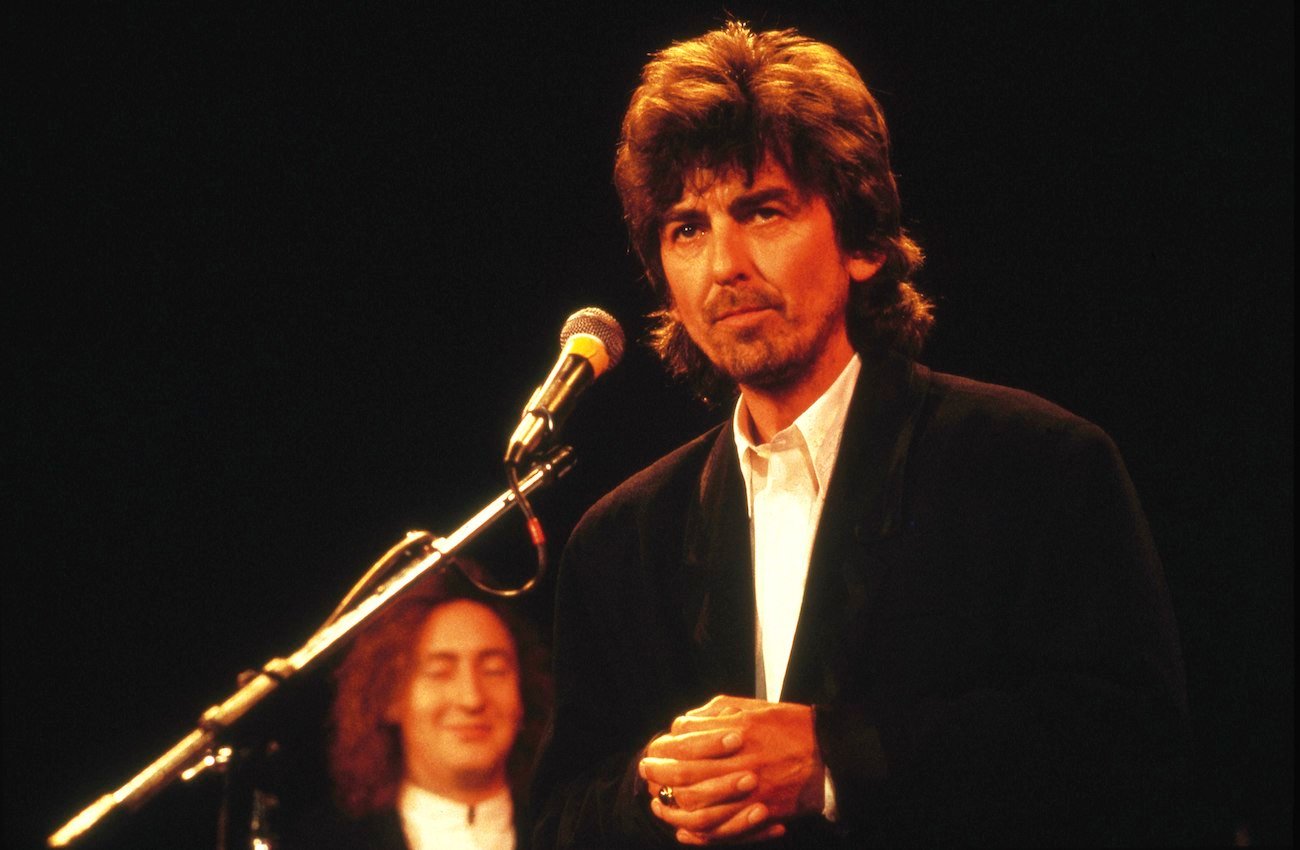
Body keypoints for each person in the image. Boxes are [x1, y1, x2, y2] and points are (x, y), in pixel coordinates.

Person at [530, 22, 1189, 848]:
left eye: (761, 210)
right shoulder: (620, 539)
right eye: (686, 228)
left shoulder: (1036, 466)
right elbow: (559, 822)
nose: (724, 265)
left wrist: (835, 762)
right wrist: (661, 787)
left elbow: (1132, 752)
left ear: (867, 242)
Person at [307, 569, 550, 850]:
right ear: (389, 696)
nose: (471, 699)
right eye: (439, 672)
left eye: (494, 671)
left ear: (523, 692)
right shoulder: (325, 842)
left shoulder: (578, 834)